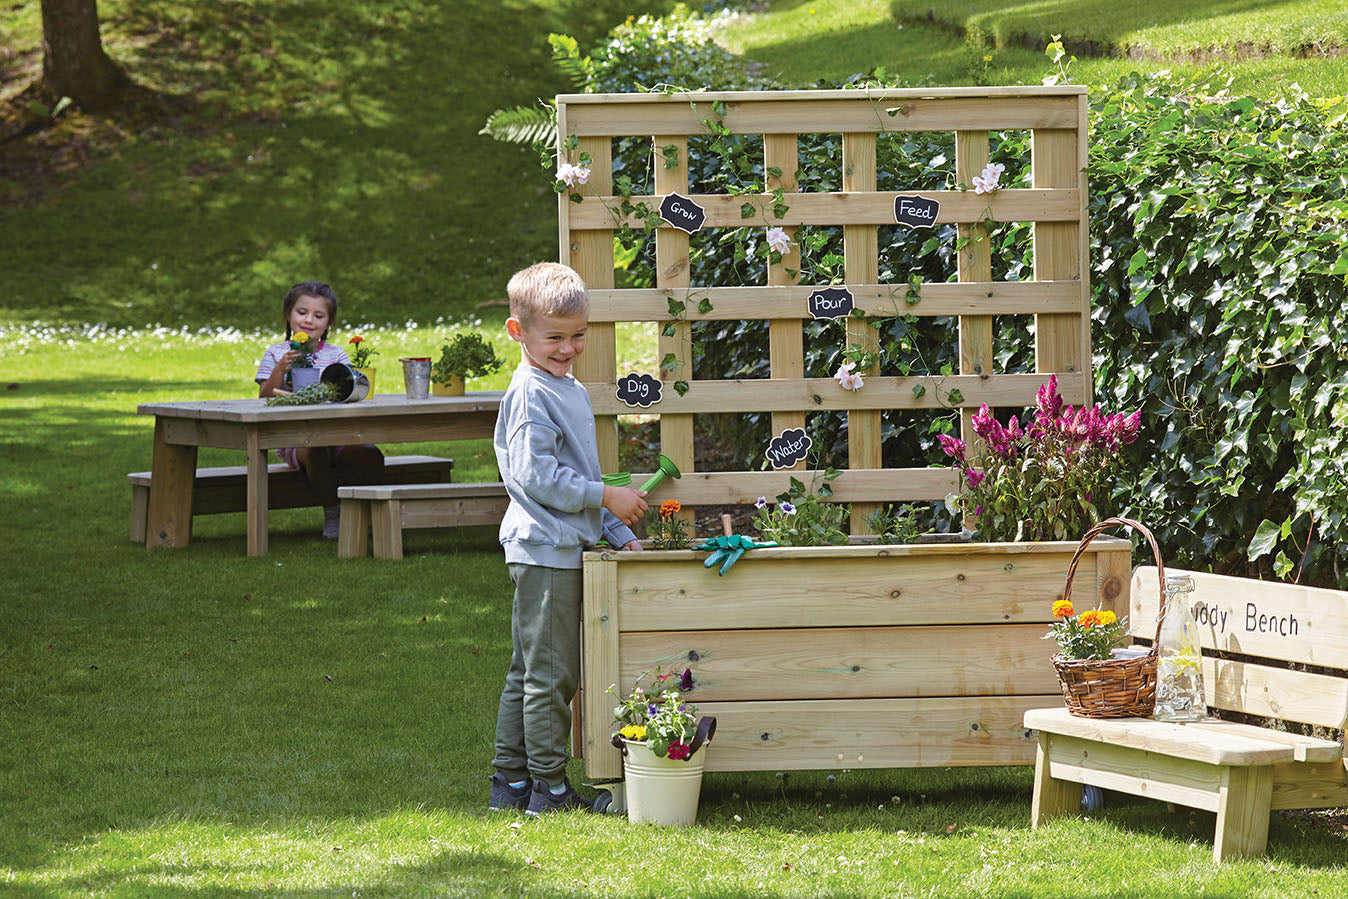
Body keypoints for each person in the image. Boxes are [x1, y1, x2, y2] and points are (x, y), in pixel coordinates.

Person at [488, 262, 648, 815]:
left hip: (552, 546)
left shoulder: (565, 388)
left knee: (530, 671)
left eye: (578, 335)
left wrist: (617, 531)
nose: (568, 348)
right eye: (554, 337)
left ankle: (510, 784)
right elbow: (538, 477)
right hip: (546, 551)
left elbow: (577, 469)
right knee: (552, 677)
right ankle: (549, 789)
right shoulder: (532, 394)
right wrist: (606, 496)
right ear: (518, 332)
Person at [255, 281, 385, 538]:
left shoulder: (336, 355)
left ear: (328, 323)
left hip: (336, 433)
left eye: (318, 315)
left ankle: (370, 514)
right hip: (294, 438)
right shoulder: (276, 353)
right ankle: (333, 512)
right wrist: (281, 368)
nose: (308, 320)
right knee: (315, 451)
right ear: (289, 315)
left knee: (371, 454)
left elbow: (350, 391)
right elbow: (264, 396)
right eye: (302, 312)